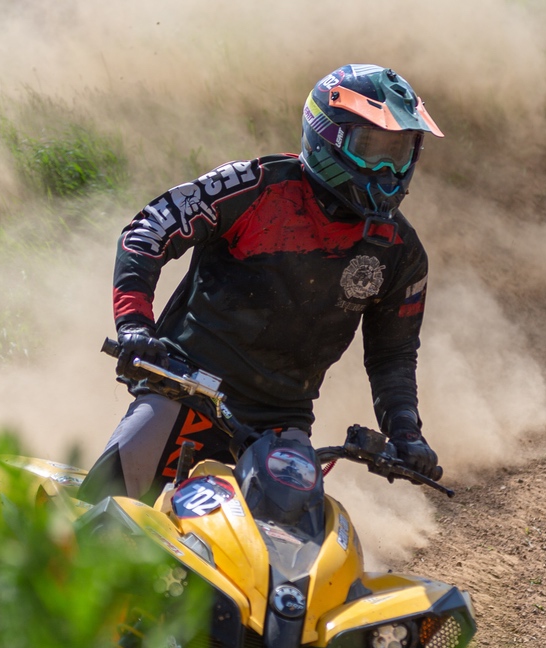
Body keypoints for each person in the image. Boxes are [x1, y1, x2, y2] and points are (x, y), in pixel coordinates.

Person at [79, 63, 444, 503]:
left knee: (295, 535)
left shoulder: (401, 251)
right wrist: (134, 326)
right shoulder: (255, 187)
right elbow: (148, 232)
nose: (388, 169)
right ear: (326, 137)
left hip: (282, 421)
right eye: (372, 147)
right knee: (106, 510)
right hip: (183, 388)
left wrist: (406, 432)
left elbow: (393, 355)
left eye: (399, 152)